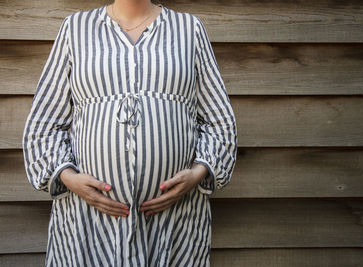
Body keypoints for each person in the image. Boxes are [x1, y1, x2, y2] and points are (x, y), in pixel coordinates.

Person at [22, 0, 237, 266]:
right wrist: (69, 177)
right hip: (87, 221)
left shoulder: (189, 29)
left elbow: (220, 120)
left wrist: (198, 173)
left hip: (174, 221)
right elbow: (44, 122)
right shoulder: (75, 29)